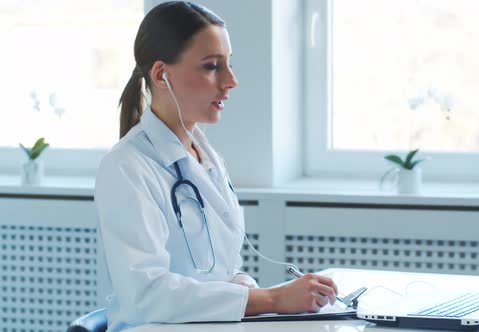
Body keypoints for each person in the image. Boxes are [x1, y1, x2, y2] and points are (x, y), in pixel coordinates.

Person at [94, 2, 339, 331]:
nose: (231, 81)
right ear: (161, 75)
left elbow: (220, 269)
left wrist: (244, 286)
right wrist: (270, 299)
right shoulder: (126, 167)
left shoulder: (204, 157)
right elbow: (146, 295)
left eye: (229, 64)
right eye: (212, 66)